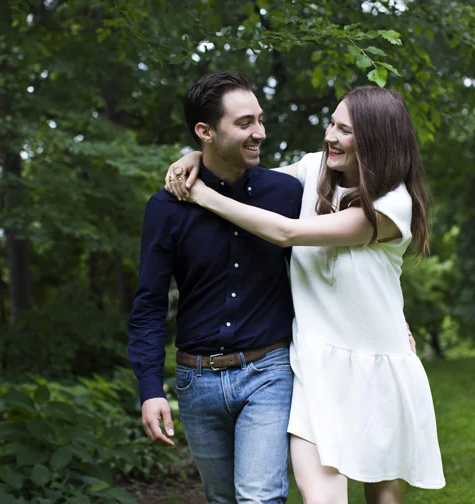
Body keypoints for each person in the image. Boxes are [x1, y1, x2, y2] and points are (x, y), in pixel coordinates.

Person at [165, 85, 445, 503]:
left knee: (383, 498)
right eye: (331, 124)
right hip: (314, 366)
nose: (330, 136)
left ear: (375, 139)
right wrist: (196, 158)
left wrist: (201, 194)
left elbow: (286, 232)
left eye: (345, 130)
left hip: (377, 367)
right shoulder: (315, 169)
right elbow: (245, 171)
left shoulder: (392, 205)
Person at [127, 72, 304, 504]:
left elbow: (329, 271)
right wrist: (151, 389)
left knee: (259, 497)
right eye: (245, 123)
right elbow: (149, 304)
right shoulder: (166, 207)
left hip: (268, 372)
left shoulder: (286, 193)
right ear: (205, 132)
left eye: (260, 120)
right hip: (196, 382)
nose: (260, 132)